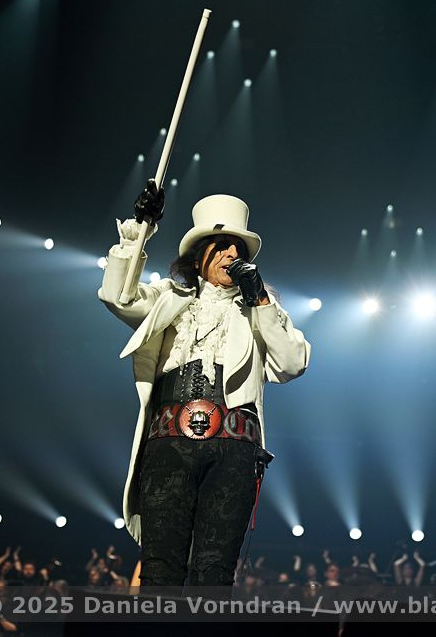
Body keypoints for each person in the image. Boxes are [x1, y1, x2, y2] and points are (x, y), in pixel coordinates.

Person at [98, 181, 310, 590]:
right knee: (160, 569)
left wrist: (260, 301)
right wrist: (139, 232)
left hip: (234, 449)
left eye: (238, 249)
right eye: (222, 246)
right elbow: (118, 296)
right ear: (199, 257)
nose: (232, 255)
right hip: (169, 446)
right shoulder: (169, 297)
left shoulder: (260, 309)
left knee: (214, 573)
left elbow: (292, 363)